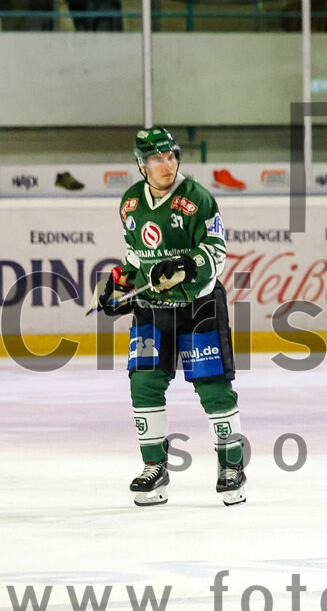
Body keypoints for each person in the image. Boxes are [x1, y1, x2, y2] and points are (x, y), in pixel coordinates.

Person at [92, 128, 245, 507]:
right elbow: (133, 258)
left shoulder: (198, 200)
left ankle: (231, 467)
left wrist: (185, 266)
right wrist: (119, 285)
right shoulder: (130, 204)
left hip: (199, 306)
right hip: (151, 310)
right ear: (142, 165)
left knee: (212, 386)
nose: (167, 164)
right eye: (157, 159)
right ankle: (154, 467)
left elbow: (217, 253)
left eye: (171, 155)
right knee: (143, 384)